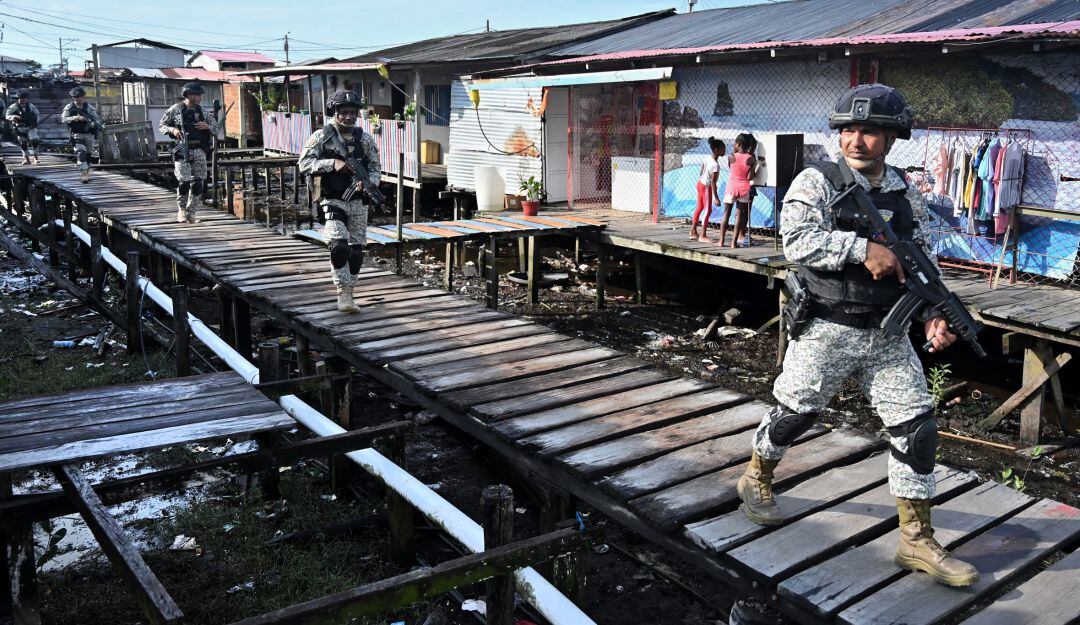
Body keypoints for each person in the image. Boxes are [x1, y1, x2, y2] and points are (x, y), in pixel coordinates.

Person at [736, 83, 979, 588]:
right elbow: (796, 240)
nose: (856, 140)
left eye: (870, 131)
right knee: (794, 414)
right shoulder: (818, 180)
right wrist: (860, 249)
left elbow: (922, 259)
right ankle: (756, 475)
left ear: (892, 137)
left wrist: (934, 313)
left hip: (887, 337)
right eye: (848, 129)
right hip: (828, 326)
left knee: (917, 428)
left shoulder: (904, 191)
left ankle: (915, 538)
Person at [298, 90, 381, 314]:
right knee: (339, 246)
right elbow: (303, 164)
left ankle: (350, 290)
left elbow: (375, 168)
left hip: (357, 200)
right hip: (332, 198)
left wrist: (369, 183)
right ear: (334, 113)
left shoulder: (365, 139)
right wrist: (331, 164)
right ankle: (342, 291)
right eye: (343, 112)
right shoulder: (321, 137)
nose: (348, 117)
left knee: (355, 252)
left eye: (352, 112)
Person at [159, 82, 218, 223]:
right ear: (188, 95)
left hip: (199, 149)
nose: (200, 97)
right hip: (182, 149)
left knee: (199, 182)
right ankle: (182, 210)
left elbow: (216, 128)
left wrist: (207, 126)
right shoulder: (175, 109)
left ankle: (192, 213)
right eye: (197, 95)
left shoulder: (203, 112)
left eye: (200, 94)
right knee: (184, 181)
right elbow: (162, 125)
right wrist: (173, 130)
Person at [717, 133, 759, 248]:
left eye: (735, 143)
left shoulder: (731, 156)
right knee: (739, 214)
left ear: (738, 144)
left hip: (731, 186)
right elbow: (750, 177)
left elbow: (732, 170)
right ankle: (733, 243)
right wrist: (754, 165)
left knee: (726, 213)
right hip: (743, 188)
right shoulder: (750, 159)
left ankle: (721, 241)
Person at [60, 86, 104, 183]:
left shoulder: (88, 107)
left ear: (83, 97)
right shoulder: (69, 107)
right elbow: (63, 119)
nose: (78, 99)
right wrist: (75, 118)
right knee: (81, 153)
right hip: (76, 134)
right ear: (73, 98)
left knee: (88, 155)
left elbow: (96, 119)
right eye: (76, 97)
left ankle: (87, 174)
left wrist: (93, 124)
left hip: (88, 134)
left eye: (80, 97)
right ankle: (84, 175)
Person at [689, 137, 725, 242]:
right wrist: (716, 198)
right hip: (706, 187)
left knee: (699, 207)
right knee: (708, 210)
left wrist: (703, 179)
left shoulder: (707, 158)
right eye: (723, 149)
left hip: (700, 183)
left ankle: (693, 231)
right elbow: (713, 182)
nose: (725, 151)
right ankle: (702, 235)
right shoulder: (715, 165)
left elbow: (701, 170)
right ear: (716, 150)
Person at [5, 91, 41, 165]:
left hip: (31, 127)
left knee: (35, 141)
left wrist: (34, 123)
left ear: (27, 99)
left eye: (24, 98)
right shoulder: (14, 106)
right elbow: (7, 115)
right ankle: (27, 159)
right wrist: (14, 117)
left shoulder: (31, 106)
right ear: (18, 99)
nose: (23, 100)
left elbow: (37, 115)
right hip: (20, 127)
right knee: (23, 143)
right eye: (21, 98)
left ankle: (36, 158)